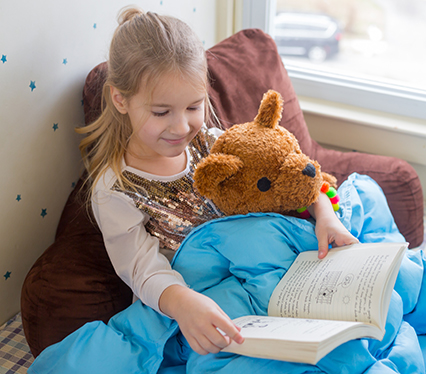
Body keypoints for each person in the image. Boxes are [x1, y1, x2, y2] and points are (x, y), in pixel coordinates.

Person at [76, 6, 357, 357]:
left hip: (264, 266)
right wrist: (183, 304)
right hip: (203, 299)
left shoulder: (211, 142)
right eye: (162, 112)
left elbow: (279, 175)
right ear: (121, 99)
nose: (181, 127)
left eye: (194, 106)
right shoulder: (116, 187)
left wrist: (324, 213)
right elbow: (140, 268)